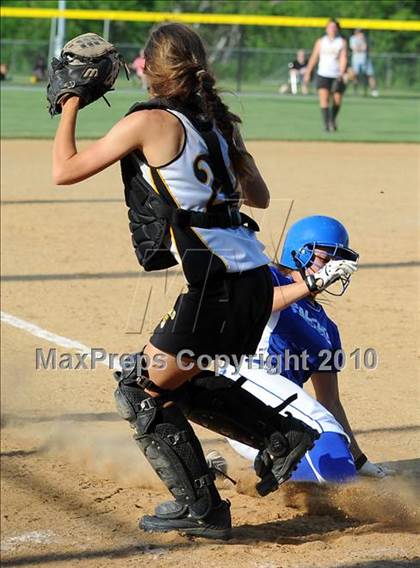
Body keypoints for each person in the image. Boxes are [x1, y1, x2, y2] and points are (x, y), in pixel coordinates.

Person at [51, 23, 319, 539]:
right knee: (182, 381)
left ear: (149, 70)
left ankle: (203, 508)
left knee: (140, 390)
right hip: (252, 280)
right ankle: (279, 436)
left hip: (216, 288)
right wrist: (224, 153)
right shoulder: (219, 122)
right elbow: (258, 196)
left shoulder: (151, 120)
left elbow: (64, 170)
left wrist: (69, 102)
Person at [215, 216, 395, 482]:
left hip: (287, 412)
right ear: (298, 253)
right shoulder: (269, 277)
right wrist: (311, 283)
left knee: (339, 471)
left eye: (339, 259)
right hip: (245, 398)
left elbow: (330, 401)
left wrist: (359, 460)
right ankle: (264, 464)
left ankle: (221, 470)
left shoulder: (327, 328)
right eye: (325, 258)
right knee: (326, 473)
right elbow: (257, 304)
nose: (333, 267)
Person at [304, 19, 347, 132]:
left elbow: (343, 58)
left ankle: (332, 119)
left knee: (337, 100)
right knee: (324, 98)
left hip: (337, 74)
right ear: (326, 29)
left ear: (337, 29)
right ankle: (326, 124)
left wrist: (342, 73)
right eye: (330, 27)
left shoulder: (341, 42)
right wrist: (308, 72)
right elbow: (314, 57)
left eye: (334, 27)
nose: (332, 29)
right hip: (323, 73)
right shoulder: (321, 41)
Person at [349, 29, 379, 97]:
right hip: (356, 60)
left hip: (365, 59)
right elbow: (355, 49)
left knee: (370, 75)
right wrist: (360, 48)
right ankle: (355, 91)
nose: (359, 33)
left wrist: (362, 43)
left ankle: (374, 91)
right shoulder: (352, 38)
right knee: (354, 76)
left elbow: (365, 48)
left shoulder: (365, 38)